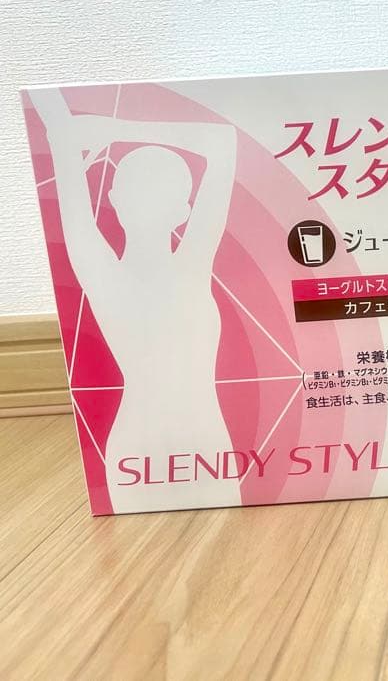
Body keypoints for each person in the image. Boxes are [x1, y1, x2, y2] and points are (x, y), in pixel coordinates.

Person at [30, 89, 240, 512]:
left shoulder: (159, 268)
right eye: (141, 187)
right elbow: (221, 143)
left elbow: (223, 141)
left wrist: (110, 130)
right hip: (163, 447)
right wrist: (105, 131)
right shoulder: (160, 268)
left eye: (158, 190)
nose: (149, 199)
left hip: (196, 445)